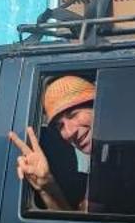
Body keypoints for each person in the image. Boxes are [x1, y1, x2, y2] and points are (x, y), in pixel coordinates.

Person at [8, 75, 95, 212]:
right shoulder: (101, 168)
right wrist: (47, 186)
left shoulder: (133, 157)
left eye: (73, 115)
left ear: (97, 106)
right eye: (60, 126)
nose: (69, 132)